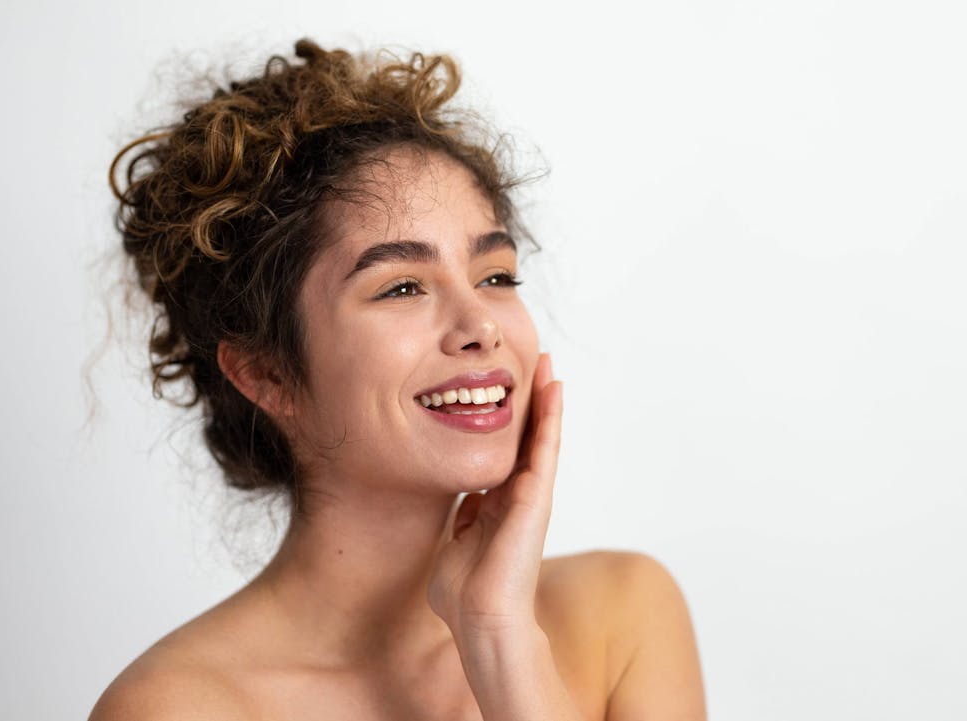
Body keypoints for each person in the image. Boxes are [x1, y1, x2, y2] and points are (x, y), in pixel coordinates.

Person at [91, 39, 706, 721]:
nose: (481, 325)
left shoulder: (621, 613)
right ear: (268, 373)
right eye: (403, 286)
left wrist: (501, 639)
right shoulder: (175, 708)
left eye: (496, 275)